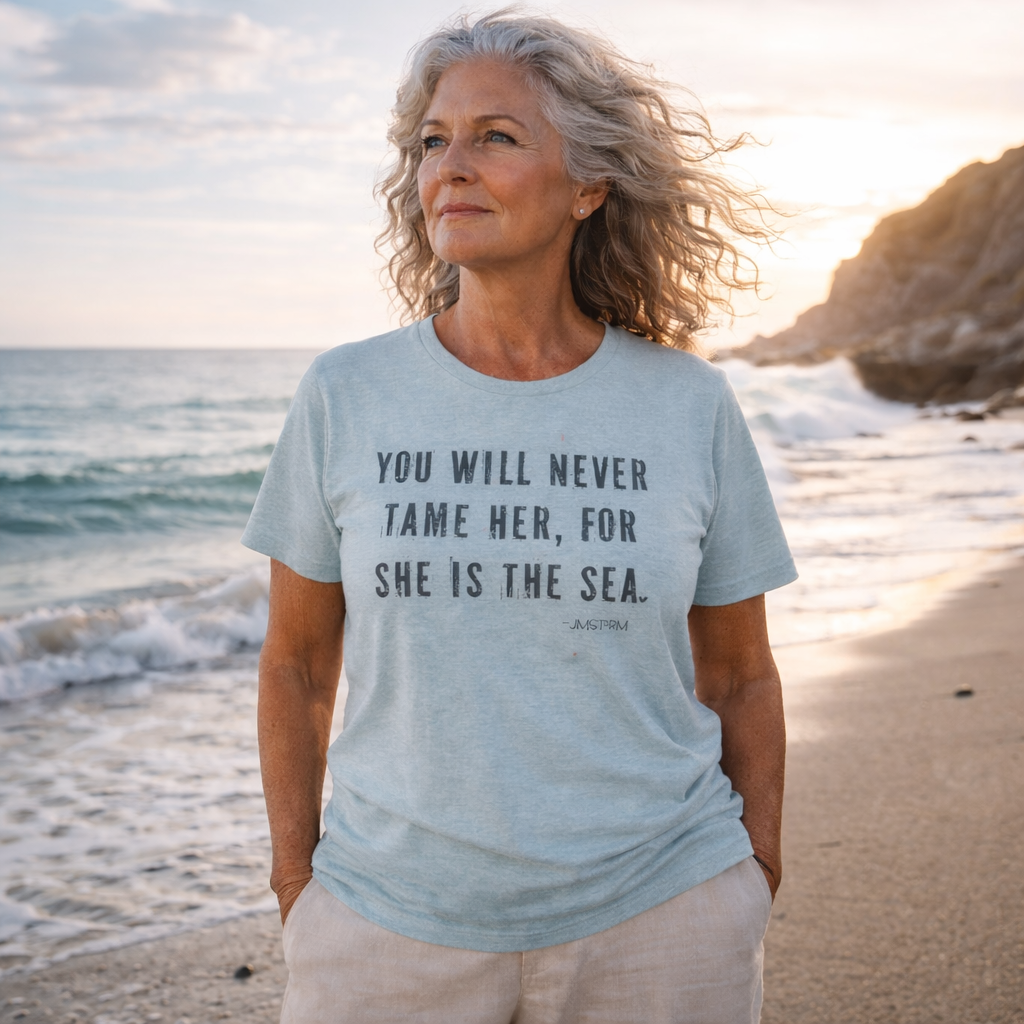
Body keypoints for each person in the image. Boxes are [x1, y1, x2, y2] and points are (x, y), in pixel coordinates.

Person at [242, 11, 797, 1023]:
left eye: (495, 136)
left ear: (587, 185)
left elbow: (739, 671)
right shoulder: (345, 394)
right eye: (432, 140)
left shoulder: (686, 403)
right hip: (385, 926)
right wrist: (298, 891)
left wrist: (751, 873)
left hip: (662, 917)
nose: (451, 165)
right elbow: (297, 664)